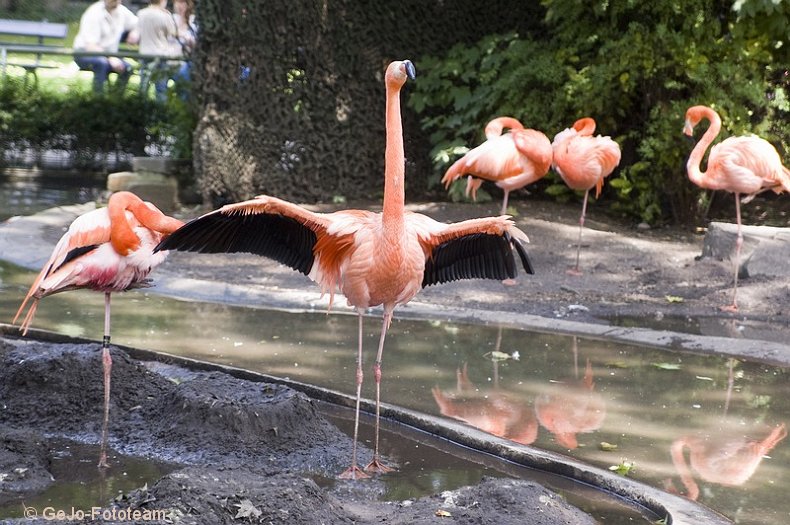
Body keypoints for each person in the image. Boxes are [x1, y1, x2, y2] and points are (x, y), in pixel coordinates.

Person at [73, 0, 139, 93]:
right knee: (102, 63)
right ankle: (98, 99)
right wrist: (110, 57)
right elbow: (90, 46)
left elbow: (137, 24)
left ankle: (116, 98)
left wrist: (135, 32)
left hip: (109, 55)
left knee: (127, 68)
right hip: (84, 53)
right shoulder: (94, 13)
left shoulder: (122, 11)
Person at [137, 0, 179, 101]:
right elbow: (173, 33)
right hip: (160, 55)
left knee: (143, 86)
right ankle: (161, 112)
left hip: (145, 54)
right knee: (161, 88)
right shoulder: (165, 16)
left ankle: (140, 108)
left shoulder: (141, 13)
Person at [172, 0, 197, 92]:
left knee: (184, 72)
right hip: (168, 60)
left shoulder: (194, 21)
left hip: (185, 62)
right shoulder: (171, 19)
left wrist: (188, 39)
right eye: (177, 2)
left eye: (182, 2)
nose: (179, 6)